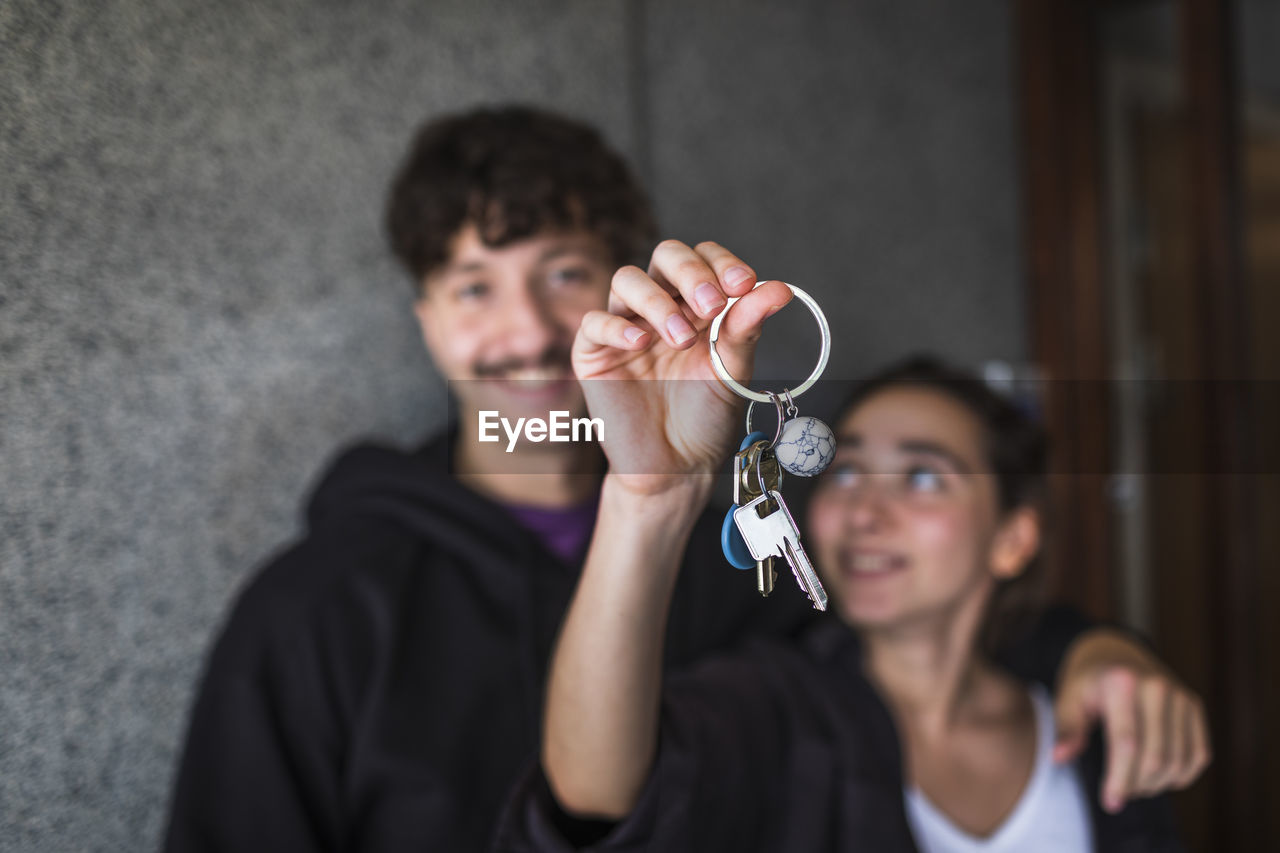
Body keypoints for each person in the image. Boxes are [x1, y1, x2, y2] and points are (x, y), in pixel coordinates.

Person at [162, 110, 1207, 851]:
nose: (523, 333)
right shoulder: (317, 608)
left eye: (563, 273)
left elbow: (916, 623)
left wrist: (1093, 650)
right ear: (423, 321)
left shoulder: (739, 568)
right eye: (471, 286)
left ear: (630, 291)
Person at [498, 241, 1210, 851]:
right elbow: (592, 801)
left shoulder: (1099, 719)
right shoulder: (775, 709)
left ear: (1012, 536)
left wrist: (1108, 649)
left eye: (925, 475)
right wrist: (647, 498)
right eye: (848, 469)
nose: (866, 509)